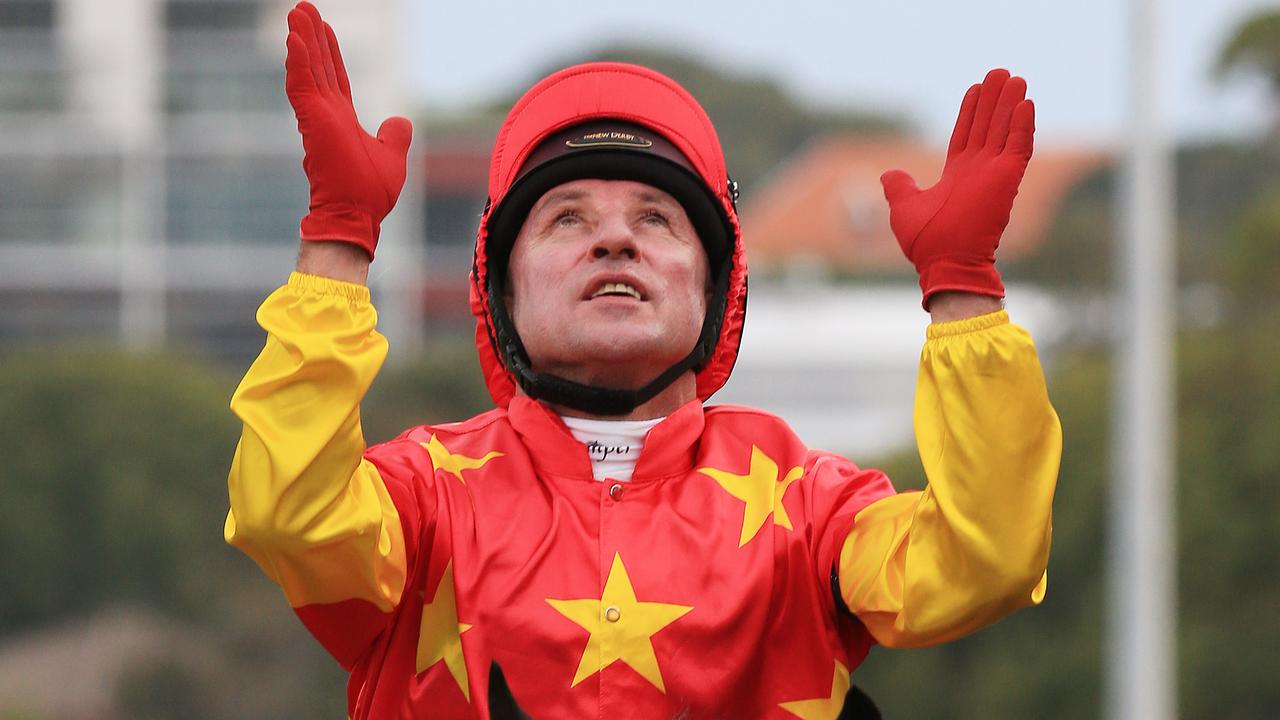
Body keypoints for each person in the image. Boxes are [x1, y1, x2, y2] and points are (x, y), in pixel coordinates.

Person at [224, 2, 1062, 718]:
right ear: (501, 288)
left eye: (657, 218)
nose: (616, 238)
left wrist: (962, 290)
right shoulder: (421, 495)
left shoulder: (811, 506)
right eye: (568, 219)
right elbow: (286, 515)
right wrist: (338, 240)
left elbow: (982, 559)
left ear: (715, 286)